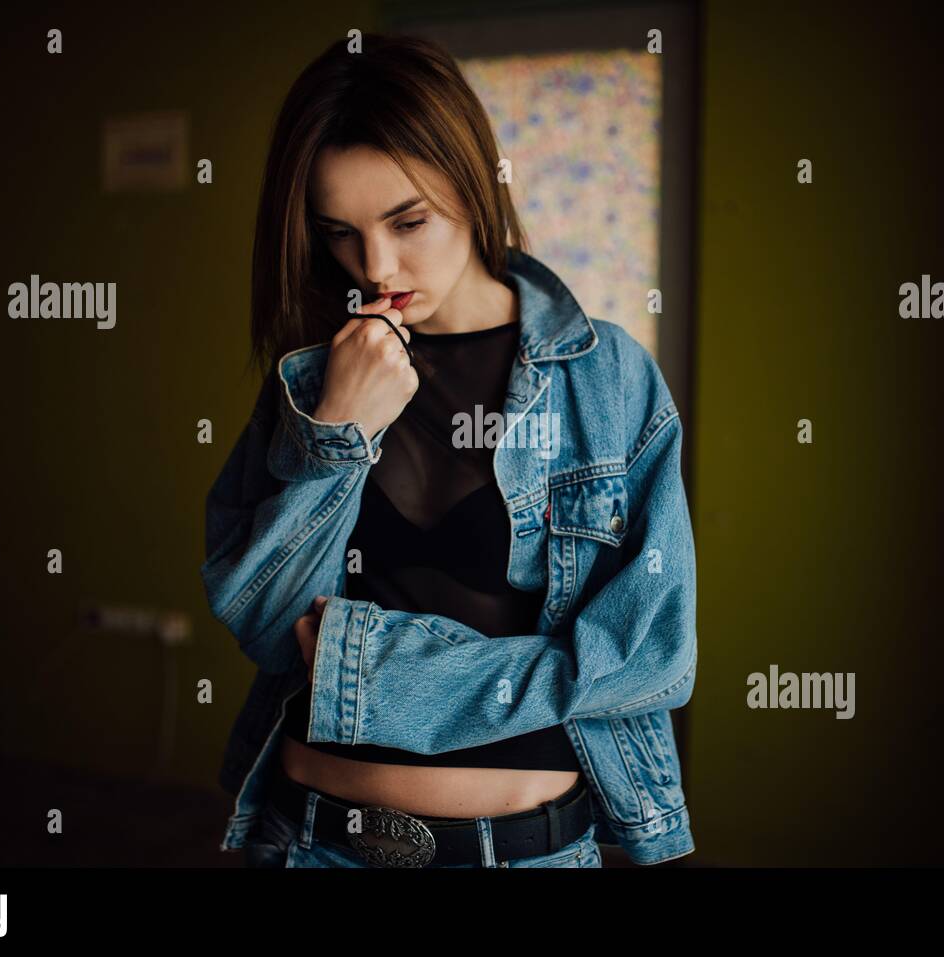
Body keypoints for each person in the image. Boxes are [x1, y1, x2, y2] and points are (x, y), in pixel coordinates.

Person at [201, 32, 698, 869]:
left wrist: (382, 676)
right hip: (308, 841)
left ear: (474, 183)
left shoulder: (609, 379)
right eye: (339, 233)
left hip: (523, 851)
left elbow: (649, 654)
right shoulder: (316, 375)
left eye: (408, 220)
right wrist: (341, 432)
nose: (376, 265)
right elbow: (260, 613)